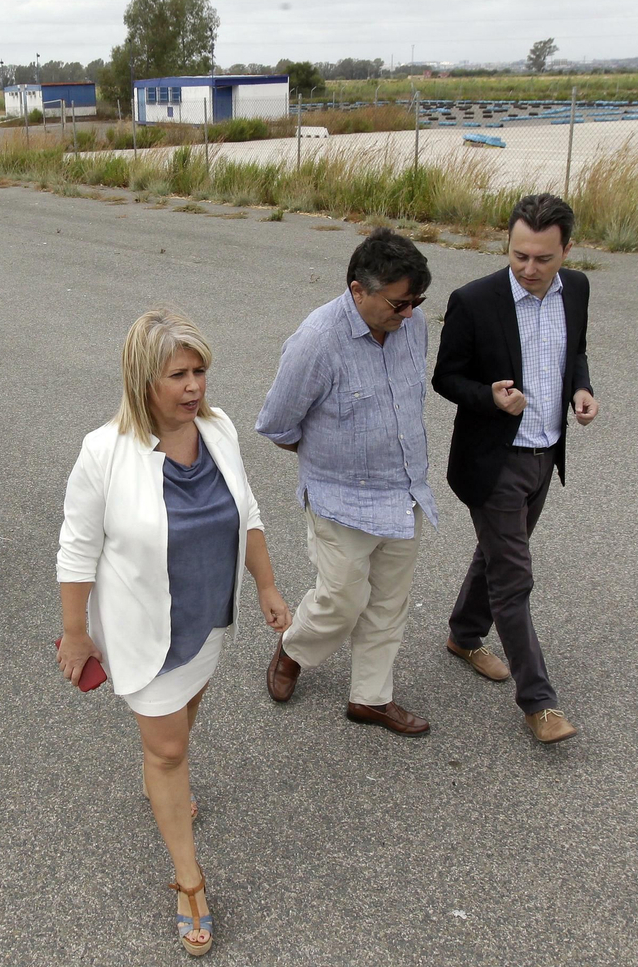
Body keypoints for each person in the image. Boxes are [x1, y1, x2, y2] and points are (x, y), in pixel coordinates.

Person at [57, 311, 290, 957]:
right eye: (178, 374)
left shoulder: (218, 430)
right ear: (142, 380)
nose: (194, 386)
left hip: (207, 617)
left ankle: (162, 774)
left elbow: (248, 512)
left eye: (199, 370)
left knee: (179, 728)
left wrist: (267, 586)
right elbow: (76, 550)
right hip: (143, 631)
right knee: (167, 748)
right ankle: (190, 880)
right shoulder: (103, 451)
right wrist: (75, 633)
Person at [254, 227, 439, 736]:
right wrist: (327, 459)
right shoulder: (317, 341)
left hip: (404, 495)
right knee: (341, 601)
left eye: (415, 302)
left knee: (388, 604)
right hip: (340, 501)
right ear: (358, 289)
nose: (408, 314)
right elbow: (276, 423)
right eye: (398, 304)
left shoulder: (413, 323)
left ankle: (371, 698)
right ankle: (293, 648)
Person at [432, 193, 599, 744]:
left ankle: (463, 634)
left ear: (566, 251)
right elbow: (446, 378)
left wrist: (581, 387)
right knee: (514, 577)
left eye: (543, 259)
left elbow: (574, 351)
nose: (529, 269)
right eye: (518, 255)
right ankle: (540, 703)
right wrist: (490, 398)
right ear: (507, 243)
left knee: (498, 553)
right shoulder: (474, 301)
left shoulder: (576, 289)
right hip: (494, 461)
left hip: (545, 455)